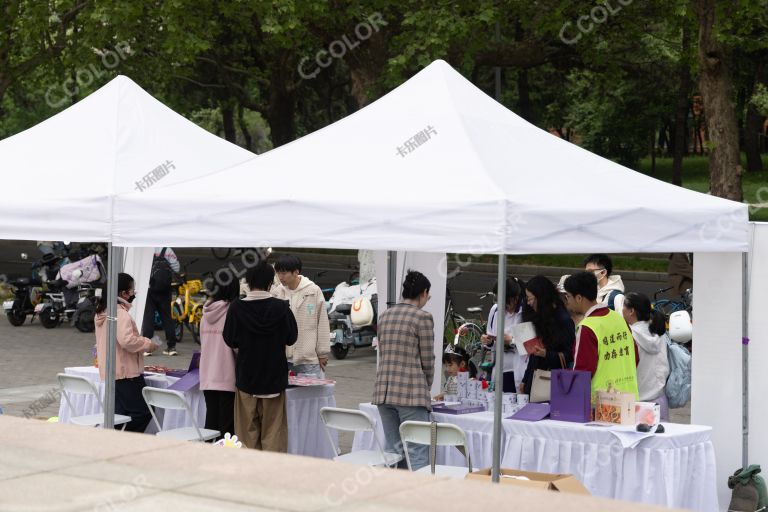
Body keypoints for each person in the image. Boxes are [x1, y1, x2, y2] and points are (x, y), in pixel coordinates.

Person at [223, 261, 298, 452]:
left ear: (248, 281)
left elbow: (230, 339)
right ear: (270, 282)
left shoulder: (236, 308)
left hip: (247, 377)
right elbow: (291, 338)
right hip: (274, 377)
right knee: (274, 431)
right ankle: (271, 474)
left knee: (246, 432)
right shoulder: (281, 308)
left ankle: (249, 474)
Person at [373, 270, 434, 470]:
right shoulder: (422, 317)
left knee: (393, 453)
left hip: (384, 392)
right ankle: (417, 498)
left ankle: (394, 496)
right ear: (423, 293)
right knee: (417, 452)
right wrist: (427, 387)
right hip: (411, 393)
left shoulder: (384, 316)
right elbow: (427, 360)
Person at [94, 272, 159, 432]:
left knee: (119, 415)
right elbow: (127, 340)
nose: (134, 293)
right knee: (143, 412)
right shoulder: (120, 314)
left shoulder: (103, 311)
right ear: (124, 293)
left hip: (112, 371)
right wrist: (148, 344)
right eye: (132, 290)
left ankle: (116, 445)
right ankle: (126, 441)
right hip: (126, 373)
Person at [563, 272, 639, 402]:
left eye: (568, 296)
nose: (567, 301)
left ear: (579, 298)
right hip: (630, 399)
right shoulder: (618, 318)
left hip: (603, 407)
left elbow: (582, 373)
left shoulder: (587, 327)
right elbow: (635, 357)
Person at [272, 255, 330, 377]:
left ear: (296, 272)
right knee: (286, 395)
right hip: (282, 357)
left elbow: (322, 323)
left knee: (310, 394)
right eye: (278, 273)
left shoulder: (313, 291)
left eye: (284, 273)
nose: (280, 277)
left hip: (307, 357)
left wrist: (323, 353)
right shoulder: (277, 292)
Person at [199, 268, 241, 439]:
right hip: (227, 375)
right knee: (227, 428)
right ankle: (222, 462)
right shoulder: (233, 312)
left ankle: (207, 458)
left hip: (208, 375)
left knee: (211, 423)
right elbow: (237, 346)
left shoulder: (205, 312)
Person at [520, 275, 575, 395]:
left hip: (554, 383)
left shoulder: (563, 320)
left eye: (530, 299)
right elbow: (534, 355)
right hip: (535, 379)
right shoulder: (540, 316)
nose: (528, 303)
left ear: (541, 297)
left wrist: (546, 354)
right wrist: (525, 380)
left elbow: (570, 355)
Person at [622, 292, 671, 420]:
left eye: (623, 306)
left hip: (636, 404)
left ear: (631, 311)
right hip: (659, 401)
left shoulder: (628, 335)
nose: (621, 310)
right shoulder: (659, 332)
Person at [480, 277, 526, 389]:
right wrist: (488, 341)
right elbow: (491, 339)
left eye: (507, 303)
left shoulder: (525, 311)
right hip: (500, 368)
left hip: (519, 369)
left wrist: (511, 341)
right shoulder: (495, 310)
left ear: (516, 298)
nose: (505, 308)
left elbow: (530, 345)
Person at [141, 247, 181, 356]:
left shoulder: (146, 249)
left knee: (149, 317)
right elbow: (177, 268)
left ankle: (147, 348)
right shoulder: (168, 250)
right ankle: (171, 347)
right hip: (165, 289)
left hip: (150, 288)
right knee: (167, 318)